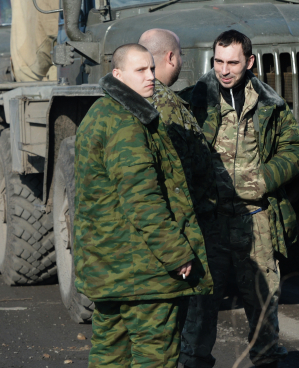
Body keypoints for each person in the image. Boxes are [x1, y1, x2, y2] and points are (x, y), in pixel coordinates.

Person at [74, 43, 212, 368]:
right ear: (117, 74)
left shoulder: (103, 113)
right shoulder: (125, 123)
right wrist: (176, 254)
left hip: (110, 269)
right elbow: (142, 198)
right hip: (142, 273)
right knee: (156, 357)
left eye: (152, 69)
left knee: (110, 356)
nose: (151, 77)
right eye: (140, 71)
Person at [181, 30, 299, 368]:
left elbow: (296, 149)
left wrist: (263, 180)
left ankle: (266, 361)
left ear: (249, 62)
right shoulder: (194, 101)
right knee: (200, 307)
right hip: (208, 221)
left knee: (263, 303)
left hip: (256, 219)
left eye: (233, 62)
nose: (224, 70)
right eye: (219, 61)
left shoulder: (270, 105)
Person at [138, 29, 216, 216]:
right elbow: (182, 172)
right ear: (171, 57)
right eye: (180, 55)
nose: (181, 60)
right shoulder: (167, 105)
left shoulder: (127, 96)